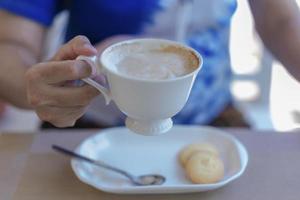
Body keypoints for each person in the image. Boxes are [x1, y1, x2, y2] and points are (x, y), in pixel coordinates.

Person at [0, 0, 299, 129]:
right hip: (87, 124)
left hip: (214, 118)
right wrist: (35, 84)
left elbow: (281, 20)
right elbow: (11, 44)